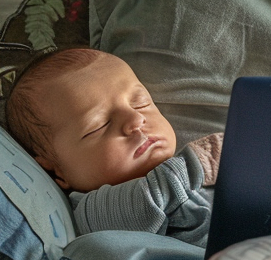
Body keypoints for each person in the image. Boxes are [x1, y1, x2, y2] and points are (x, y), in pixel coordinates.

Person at [5, 48, 219, 247]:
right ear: (56, 170)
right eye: (99, 126)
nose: (136, 120)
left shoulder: (190, 175)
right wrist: (201, 162)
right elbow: (148, 199)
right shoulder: (91, 212)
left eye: (141, 103)